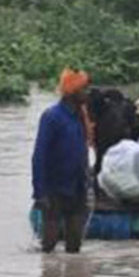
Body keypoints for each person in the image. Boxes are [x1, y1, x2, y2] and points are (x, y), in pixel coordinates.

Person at [32, 68, 92, 253]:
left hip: (77, 186)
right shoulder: (52, 117)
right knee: (48, 247)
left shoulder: (81, 117)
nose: (87, 93)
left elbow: (82, 152)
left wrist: (87, 181)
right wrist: (40, 192)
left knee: (75, 247)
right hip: (54, 189)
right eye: (84, 89)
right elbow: (39, 156)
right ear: (72, 92)